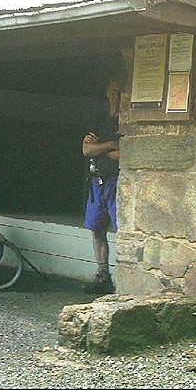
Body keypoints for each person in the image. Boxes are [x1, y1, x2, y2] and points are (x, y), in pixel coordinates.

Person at [81, 74, 121, 294]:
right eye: (113, 92)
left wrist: (102, 148)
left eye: (120, 92)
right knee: (97, 230)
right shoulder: (99, 119)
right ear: (107, 93)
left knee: (120, 230)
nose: (116, 96)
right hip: (98, 181)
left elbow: (125, 154)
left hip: (117, 182)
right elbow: (87, 150)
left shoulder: (126, 119)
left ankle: (124, 279)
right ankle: (102, 274)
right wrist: (111, 145)